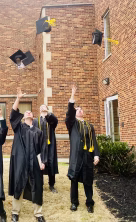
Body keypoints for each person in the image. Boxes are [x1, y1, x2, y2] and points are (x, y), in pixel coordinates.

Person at [9, 88, 46, 222]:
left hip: (34, 162)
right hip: (21, 162)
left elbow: (42, 148)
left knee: (37, 185)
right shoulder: (18, 128)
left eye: (30, 111)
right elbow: (12, 115)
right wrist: (18, 98)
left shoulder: (38, 132)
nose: (29, 112)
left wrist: (42, 161)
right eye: (26, 112)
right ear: (23, 117)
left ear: (33, 116)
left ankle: (38, 214)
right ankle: (15, 212)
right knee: (19, 184)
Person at [66, 85, 100, 213]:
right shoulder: (72, 123)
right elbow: (69, 112)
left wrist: (96, 155)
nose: (79, 110)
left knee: (88, 181)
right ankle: (74, 202)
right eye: (77, 109)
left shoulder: (89, 125)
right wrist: (72, 95)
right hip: (76, 157)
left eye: (81, 109)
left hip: (87, 157)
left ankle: (89, 202)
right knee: (74, 181)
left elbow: (94, 142)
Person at [33, 105, 59, 193]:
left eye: (45, 107)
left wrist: (48, 114)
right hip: (40, 145)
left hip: (50, 144)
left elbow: (55, 121)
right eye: (41, 107)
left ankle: (51, 185)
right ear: (39, 110)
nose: (43, 108)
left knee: (51, 163)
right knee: (40, 162)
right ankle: (40, 184)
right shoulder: (35, 121)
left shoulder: (51, 119)